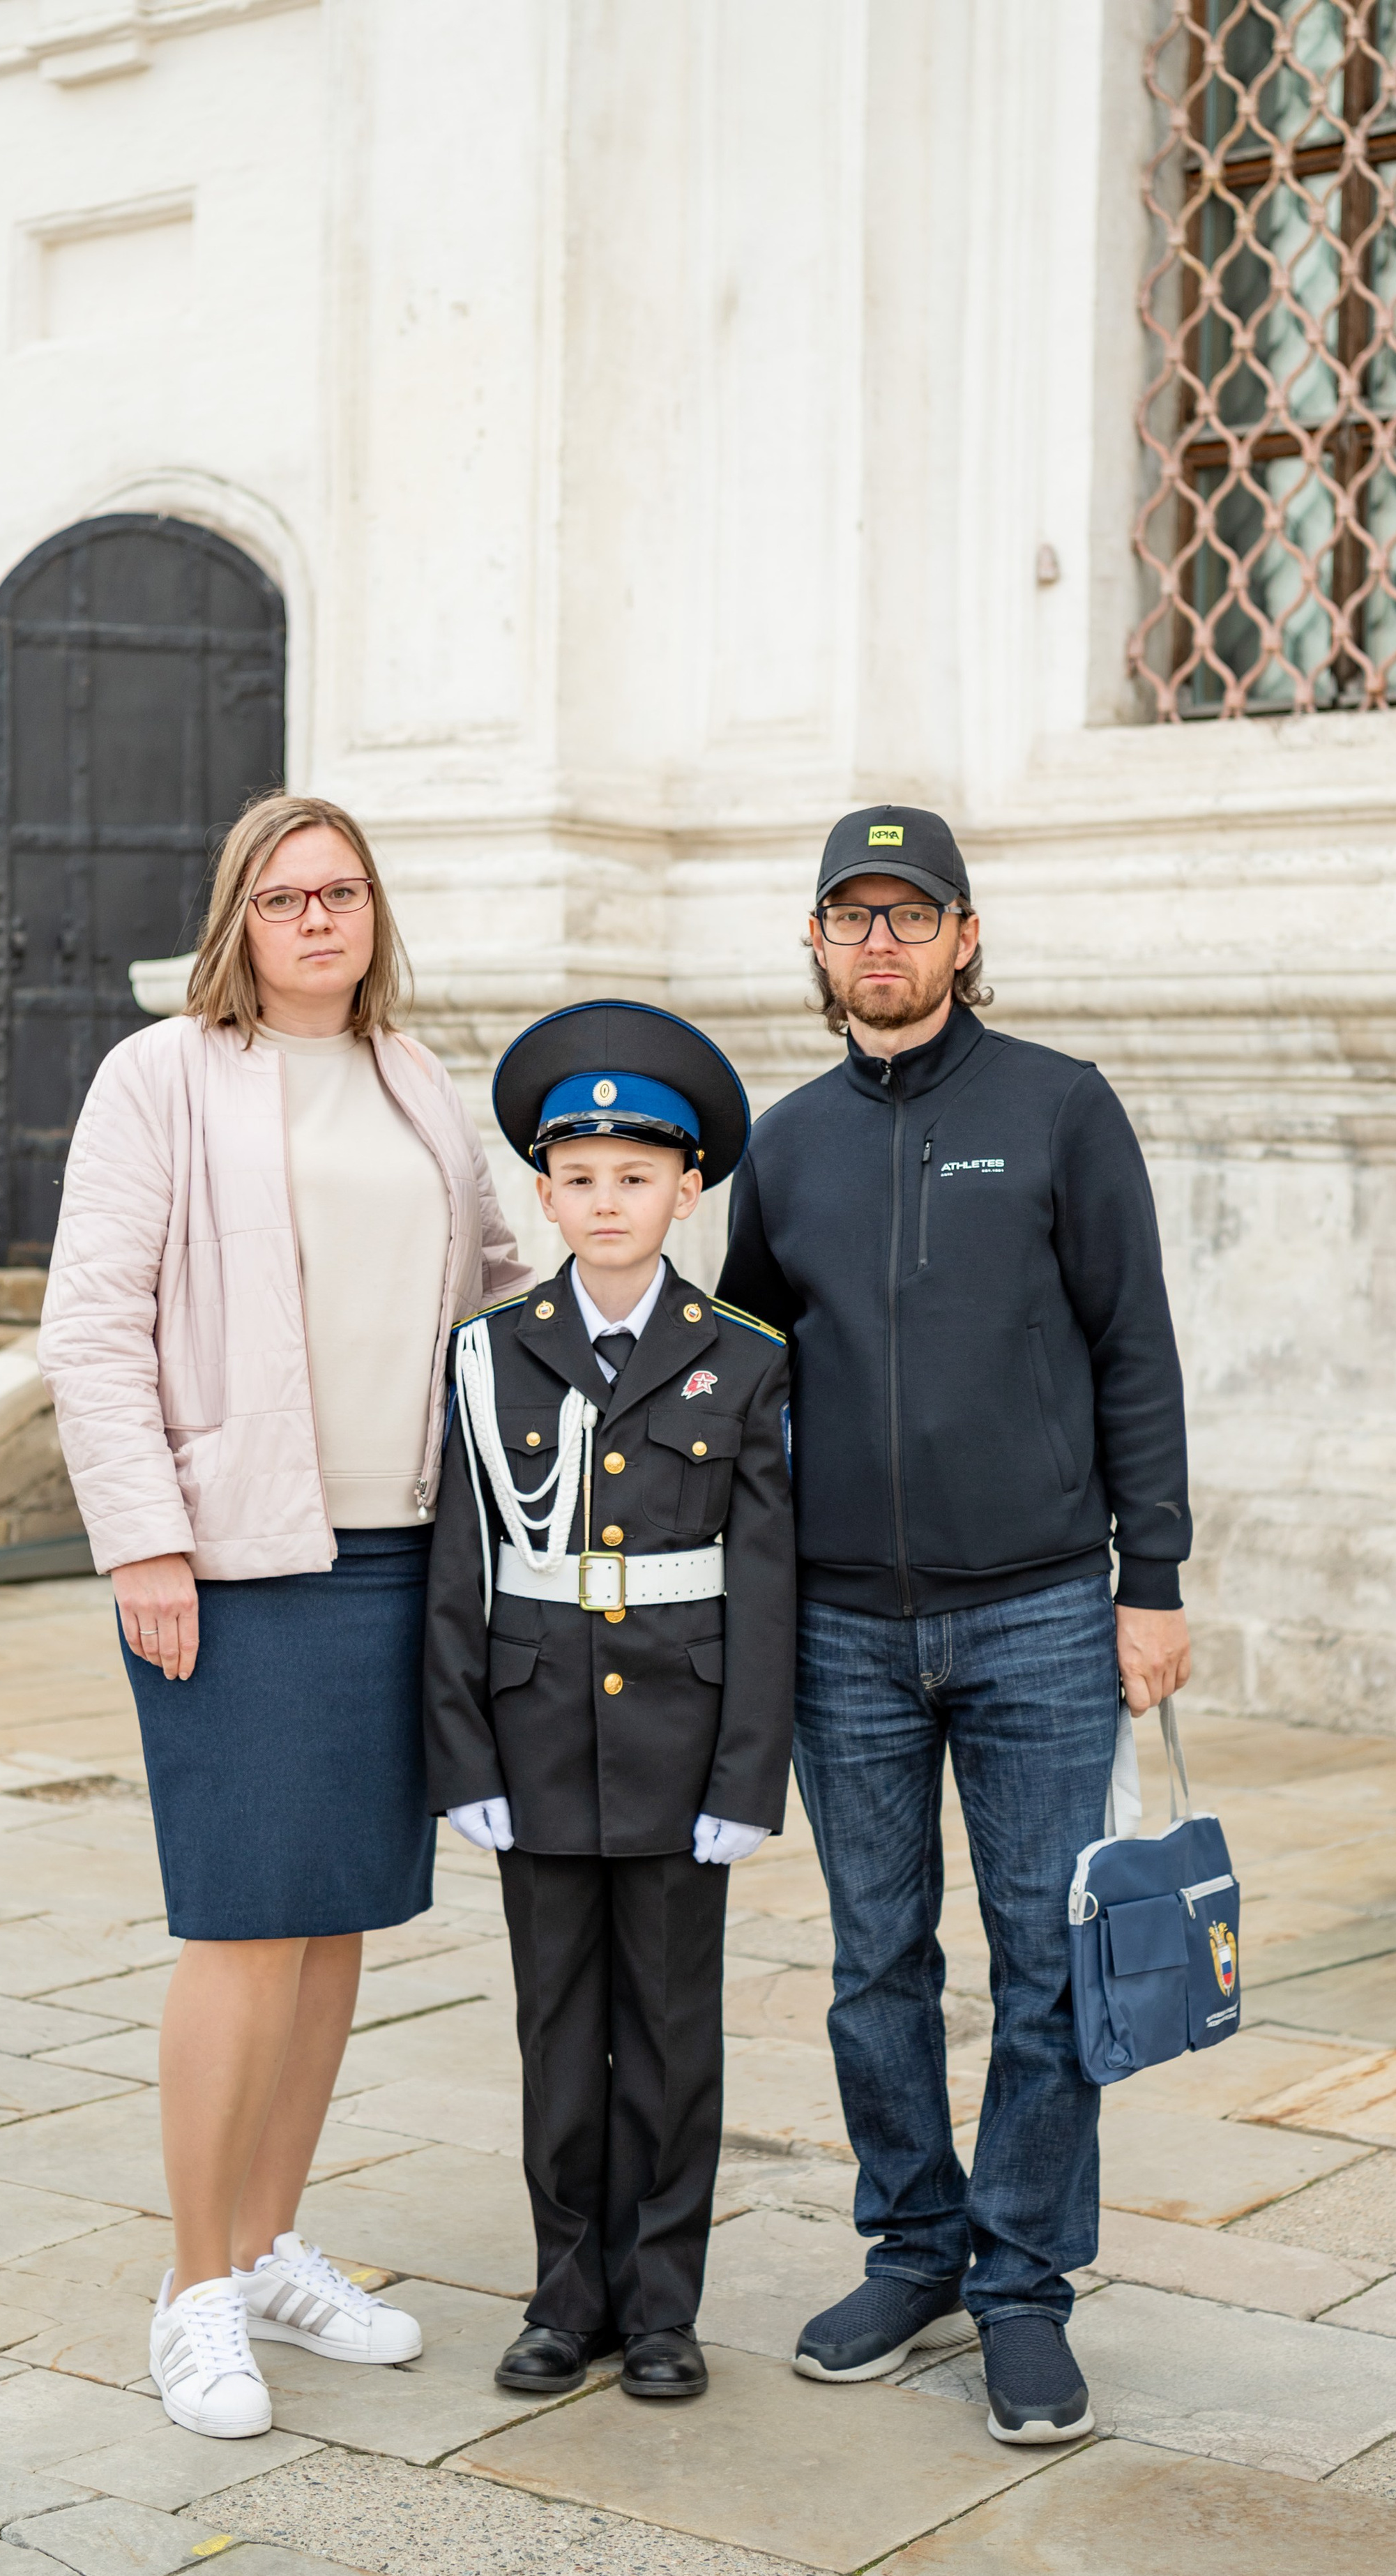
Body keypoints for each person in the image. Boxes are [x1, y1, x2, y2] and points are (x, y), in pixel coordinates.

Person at [38, 789, 529, 2440]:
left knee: (333, 1924)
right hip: (235, 1560)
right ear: (235, 918)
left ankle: (263, 2252)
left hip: (404, 1554)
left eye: (344, 892)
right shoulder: (159, 1078)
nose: (319, 918)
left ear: (375, 915)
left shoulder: (413, 1080)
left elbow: (504, 1283)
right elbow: (92, 1326)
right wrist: (142, 1544)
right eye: (284, 894)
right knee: (242, 1921)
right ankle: (189, 2292)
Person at [717, 805, 1192, 2446]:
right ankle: (910, 2250)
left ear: (962, 936)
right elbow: (742, 1386)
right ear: (817, 942)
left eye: (908, 915)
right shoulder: (781, 1145)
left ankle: (1021, 2291)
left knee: (1048, 1971)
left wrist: (1154, 1576)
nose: (879, 942)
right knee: (872, 1963)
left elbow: (1132, 1348)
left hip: (1044, 1618)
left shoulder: (1058, 1107)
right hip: (841, 1630)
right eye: (850, 916)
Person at [423, 1003, 796, 2403]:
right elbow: (461, 1565)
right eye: (576, 1178)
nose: (605, 1202)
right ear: (543, 1193)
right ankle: (561, 2291)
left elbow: (765, 1586)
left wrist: (746, 1778)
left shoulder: (743, 1356)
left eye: (634, 1176)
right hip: (532, 1737)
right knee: (553, 2029)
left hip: (678, 1749)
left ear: (684, 1190)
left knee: (668, 2035)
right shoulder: (488, 1350)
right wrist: (461, 1751)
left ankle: (659, 2303)